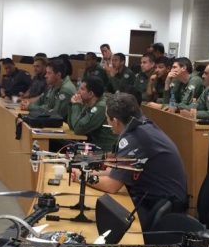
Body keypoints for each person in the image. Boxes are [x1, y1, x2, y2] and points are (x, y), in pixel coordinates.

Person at [73, 92, 188, 225]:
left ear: (115, 121)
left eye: (107, 119)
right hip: (161, 199)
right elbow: (116, 172)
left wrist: (82, 177)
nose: (107, 122)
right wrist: (85, 170)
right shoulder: (142, 125)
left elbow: (112, 185)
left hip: (160, 208)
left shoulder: (134, 138)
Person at [68, 77, 116, 152]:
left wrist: (76, 105)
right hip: (92, 147)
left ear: (91, 94)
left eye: (82, 89)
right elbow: (72, 126)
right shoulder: (89, 103)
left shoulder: (101, 107)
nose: (78, 92)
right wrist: (73, 105)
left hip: (104, 151)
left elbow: (78, 129)